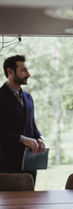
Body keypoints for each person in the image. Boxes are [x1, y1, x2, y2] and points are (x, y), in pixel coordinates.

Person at [0, 55, 45, 184]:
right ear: (10, 71)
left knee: (32, 203)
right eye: (23, 70)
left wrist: (40, 138)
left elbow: (32, 125)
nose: (28, 74)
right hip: (7, 167)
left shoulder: (28, 97)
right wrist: (22, 139)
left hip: (30, 166)